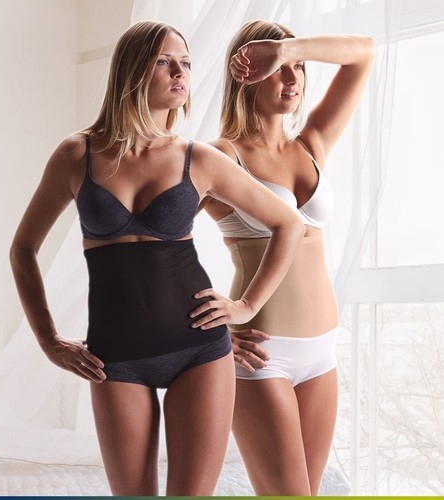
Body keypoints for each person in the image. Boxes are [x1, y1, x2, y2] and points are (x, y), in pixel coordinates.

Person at [9, 21, 304, 496]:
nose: (180, 73)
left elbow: (288, 223)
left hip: (199, 350)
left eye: (185, 63)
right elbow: (23, 249)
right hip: (115, 356)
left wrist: (245, 306)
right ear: (132, 70)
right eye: (165, 62)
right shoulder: (76, 154)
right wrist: (49, 341)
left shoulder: (199, 159)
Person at [203, 20, 375, 495]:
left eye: (297, 67)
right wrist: (206, 332)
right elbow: (156, 245)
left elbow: (364, 52)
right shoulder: (221, 157)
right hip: (262, 354)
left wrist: (288, 49)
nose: (292, 78)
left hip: (322, 352)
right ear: (246, 73)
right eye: (278, 68)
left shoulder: (311, 144)